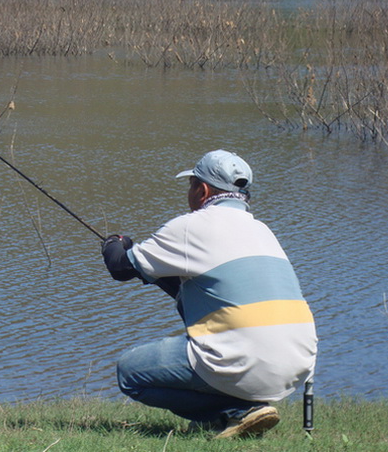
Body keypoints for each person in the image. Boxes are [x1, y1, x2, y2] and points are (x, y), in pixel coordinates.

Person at [101, 149, 317, 439]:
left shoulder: (191, 226)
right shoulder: (262, 231)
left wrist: (115, 242)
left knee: (130, 372)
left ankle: (233, 411)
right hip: (297, 363)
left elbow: (120, 266)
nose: (188, 194)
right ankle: (246, 405)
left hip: (248, 362)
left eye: (190, 185)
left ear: (202, 190)